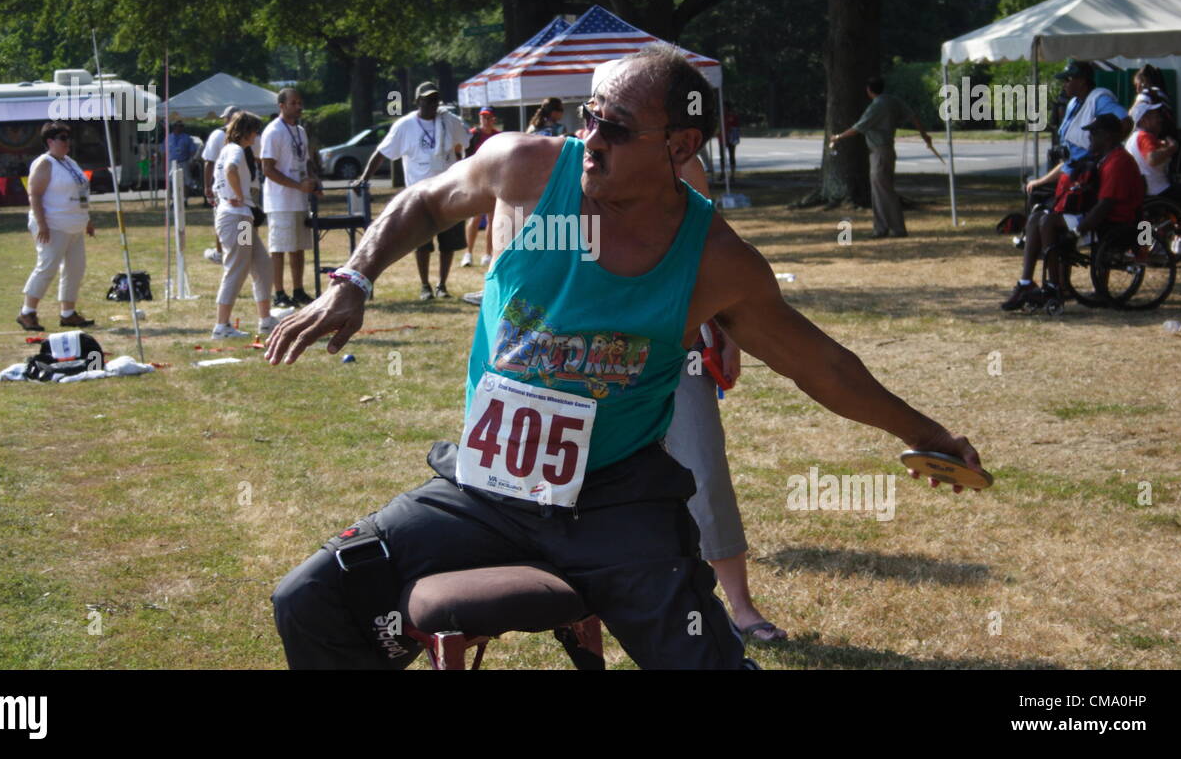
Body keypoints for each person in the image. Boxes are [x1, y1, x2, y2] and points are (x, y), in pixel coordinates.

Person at [266, 45, 983, 670]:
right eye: (588, 117)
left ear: (679, 147)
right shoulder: (528, 167)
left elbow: (819, 365)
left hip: (614, 504)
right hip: (484, 491)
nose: (590, 138)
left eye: (615, 127)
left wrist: (926, 435)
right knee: (311, 598)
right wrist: (354, 281)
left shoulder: (715, 261)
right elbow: (425, 200)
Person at [665, 154, 786, 644]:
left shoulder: (683, 164)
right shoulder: (579, 164)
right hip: (599, 354)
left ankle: (740, 605)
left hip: (681, 347)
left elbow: (717, 249)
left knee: (704, 470)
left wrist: (730, 331)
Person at [1001, 113, 1144, 310]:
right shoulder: (1102, 158)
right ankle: (1026, 283)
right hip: (1097, 215)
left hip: (1112, 222)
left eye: (1094, 134)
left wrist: (1077, 231)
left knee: (1048, 222)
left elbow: (1104, 207)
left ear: (1108, 137)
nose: (1089, 138)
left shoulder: (1118, 162)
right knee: (1036, 218)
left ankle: (1054, 287)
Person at [352, 82, 470, 299]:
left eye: (435, 100)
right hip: (419, 195)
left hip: (448, 190)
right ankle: (425, 286)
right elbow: (381, 153)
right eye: (427, 100)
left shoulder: (448, 121)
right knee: (422, 244)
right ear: (417, 101)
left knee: (448, 243)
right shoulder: (404, 125)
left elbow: (466, 145)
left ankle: (442, 285)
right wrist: (364, 178)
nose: (432, 104)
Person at [828, 77, 934, 238]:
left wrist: (838, 137)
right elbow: (913, 116)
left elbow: (859, 127)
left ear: (869, 90)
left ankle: (891, 228)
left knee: (883, 191)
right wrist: (924, 134)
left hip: (879, 151)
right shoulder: (893, 101)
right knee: (882, 190)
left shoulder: (877, 106)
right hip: (887, 150)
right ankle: (884, 227)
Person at [17, 122, 96, 331]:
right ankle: (27, 312)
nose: (67, 142)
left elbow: (81, 192)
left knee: (75, 268)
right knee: (47, 267)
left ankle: (68, 313)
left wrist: (86, 219)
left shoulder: (70, 162)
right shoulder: (44, 163)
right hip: (53, 224)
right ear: (50, 141)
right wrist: (42, 224)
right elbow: (34, 194)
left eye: (68, 138)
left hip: (74, 225)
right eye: (62, 138)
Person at [212, 112, 276, 339]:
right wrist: (239, 195)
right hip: (237, 219)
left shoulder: (229, 149)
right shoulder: (236, 150)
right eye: (255, 131)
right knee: (237, 269)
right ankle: (221, 326)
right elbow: (230, 170)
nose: (257, 136)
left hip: (240, 219)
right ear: (247, 131)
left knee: (262, 265)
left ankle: (266, 320)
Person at [261, 88, 320, 309]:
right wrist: (298, 185)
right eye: (293, 103)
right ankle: (279, 293)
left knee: (298, 247)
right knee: (279, 248)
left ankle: (298, 290)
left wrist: (313, 180)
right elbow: (267, 169)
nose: (298, 106)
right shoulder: (273, 131)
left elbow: (305, 162)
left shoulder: (300, 131)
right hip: (279, 201)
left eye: (300, 102)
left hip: (299, 199)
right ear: (281, 106)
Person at [1126, 88, 1181, 209]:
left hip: (1145, 191)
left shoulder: (1133, 139)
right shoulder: (1144, 137)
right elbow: (1152, 158)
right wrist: (1171, 148)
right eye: (1155, 116)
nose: (1159, 119)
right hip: (1158, 191)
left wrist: (1162, 147)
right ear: (1144, 120)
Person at [461, 107, 500, 268]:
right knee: (475, 217)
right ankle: (468, 253)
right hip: (476, 180)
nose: (485, 120)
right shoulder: (474, 134)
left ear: (493, 119)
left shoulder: (498, 136)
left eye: (488, 117)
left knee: (491, 219)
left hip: (493, 180)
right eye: (483, 117)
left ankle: (488, 254)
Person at [202, 105, 240, 265]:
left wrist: (207, 186)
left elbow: (210, 163)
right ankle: (242, 250)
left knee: (224, 222)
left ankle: (223, 252)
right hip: (242, 194)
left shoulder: (219, 136)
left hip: (228, 192)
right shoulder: (250, 137)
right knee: (243, 222)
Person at [167, 121, 198, 197]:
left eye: (181, 126)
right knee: (172, 181)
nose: (180, 127)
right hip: (172, 163)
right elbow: (164, 152)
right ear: (174, 127)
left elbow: (192, 151)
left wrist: (191, 162)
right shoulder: (168, 138)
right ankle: (173, 198)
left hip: (184, 162)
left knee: (186, 181)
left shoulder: (187, 138)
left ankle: (185, 199)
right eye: (178, 126)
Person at [720, 101, 741, 181]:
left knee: (732, 156)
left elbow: (736, 127)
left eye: (725, 107)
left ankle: (732, 175)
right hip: (722, 138)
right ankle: (722, 173)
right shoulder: (721, 116)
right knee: (722, 157)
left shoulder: (733, 116)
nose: (723, 109)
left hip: (731, 138)